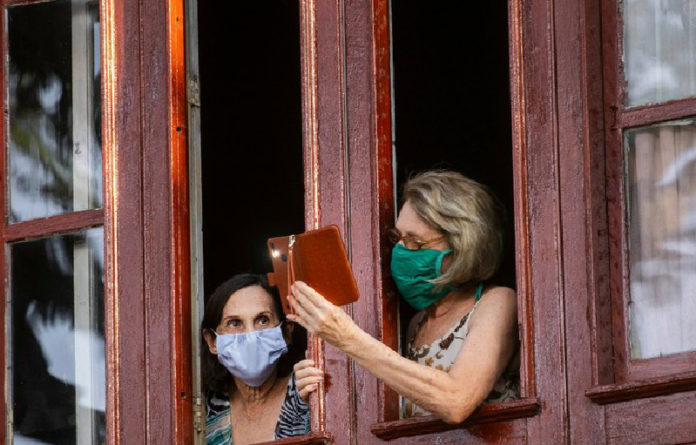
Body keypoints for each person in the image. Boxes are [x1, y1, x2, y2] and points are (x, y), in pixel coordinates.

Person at [290, 170, 519, 424]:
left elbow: (456, 402)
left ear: (464, 246)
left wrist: (347, 337)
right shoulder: (417, 324)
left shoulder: (497, 302)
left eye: (415, 243)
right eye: (398, 238)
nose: (400, 251)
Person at [201, 273, 321, 444]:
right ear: (212, 341)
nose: (250, 336)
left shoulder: (307, 391)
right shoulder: (207, 408)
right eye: (234, 323)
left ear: (286, 332)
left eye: (263, 320)